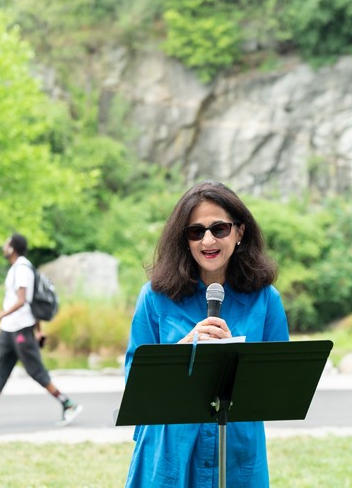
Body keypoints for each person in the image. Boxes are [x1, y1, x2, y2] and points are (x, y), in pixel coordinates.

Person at [124, 180, 290, 487]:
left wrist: (232, 358)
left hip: (238, 451)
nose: (207, 240)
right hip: (169, 451)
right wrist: (182, 349)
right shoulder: (154, 297)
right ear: (184, 239)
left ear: (240, 232)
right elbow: (135, 381)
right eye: (195, 231)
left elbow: (278, 384)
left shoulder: (267, 300)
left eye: (219, 229)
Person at [0, 232, 83, 430]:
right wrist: (38, 329)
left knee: (35, 370)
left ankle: (67, 404)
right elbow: (30, 303)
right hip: (8, 329)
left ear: (12, 248)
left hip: (20, 329)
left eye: (6, 243)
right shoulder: (15, 269)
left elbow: (23, 301)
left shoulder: (23, 269)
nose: (3, 246)